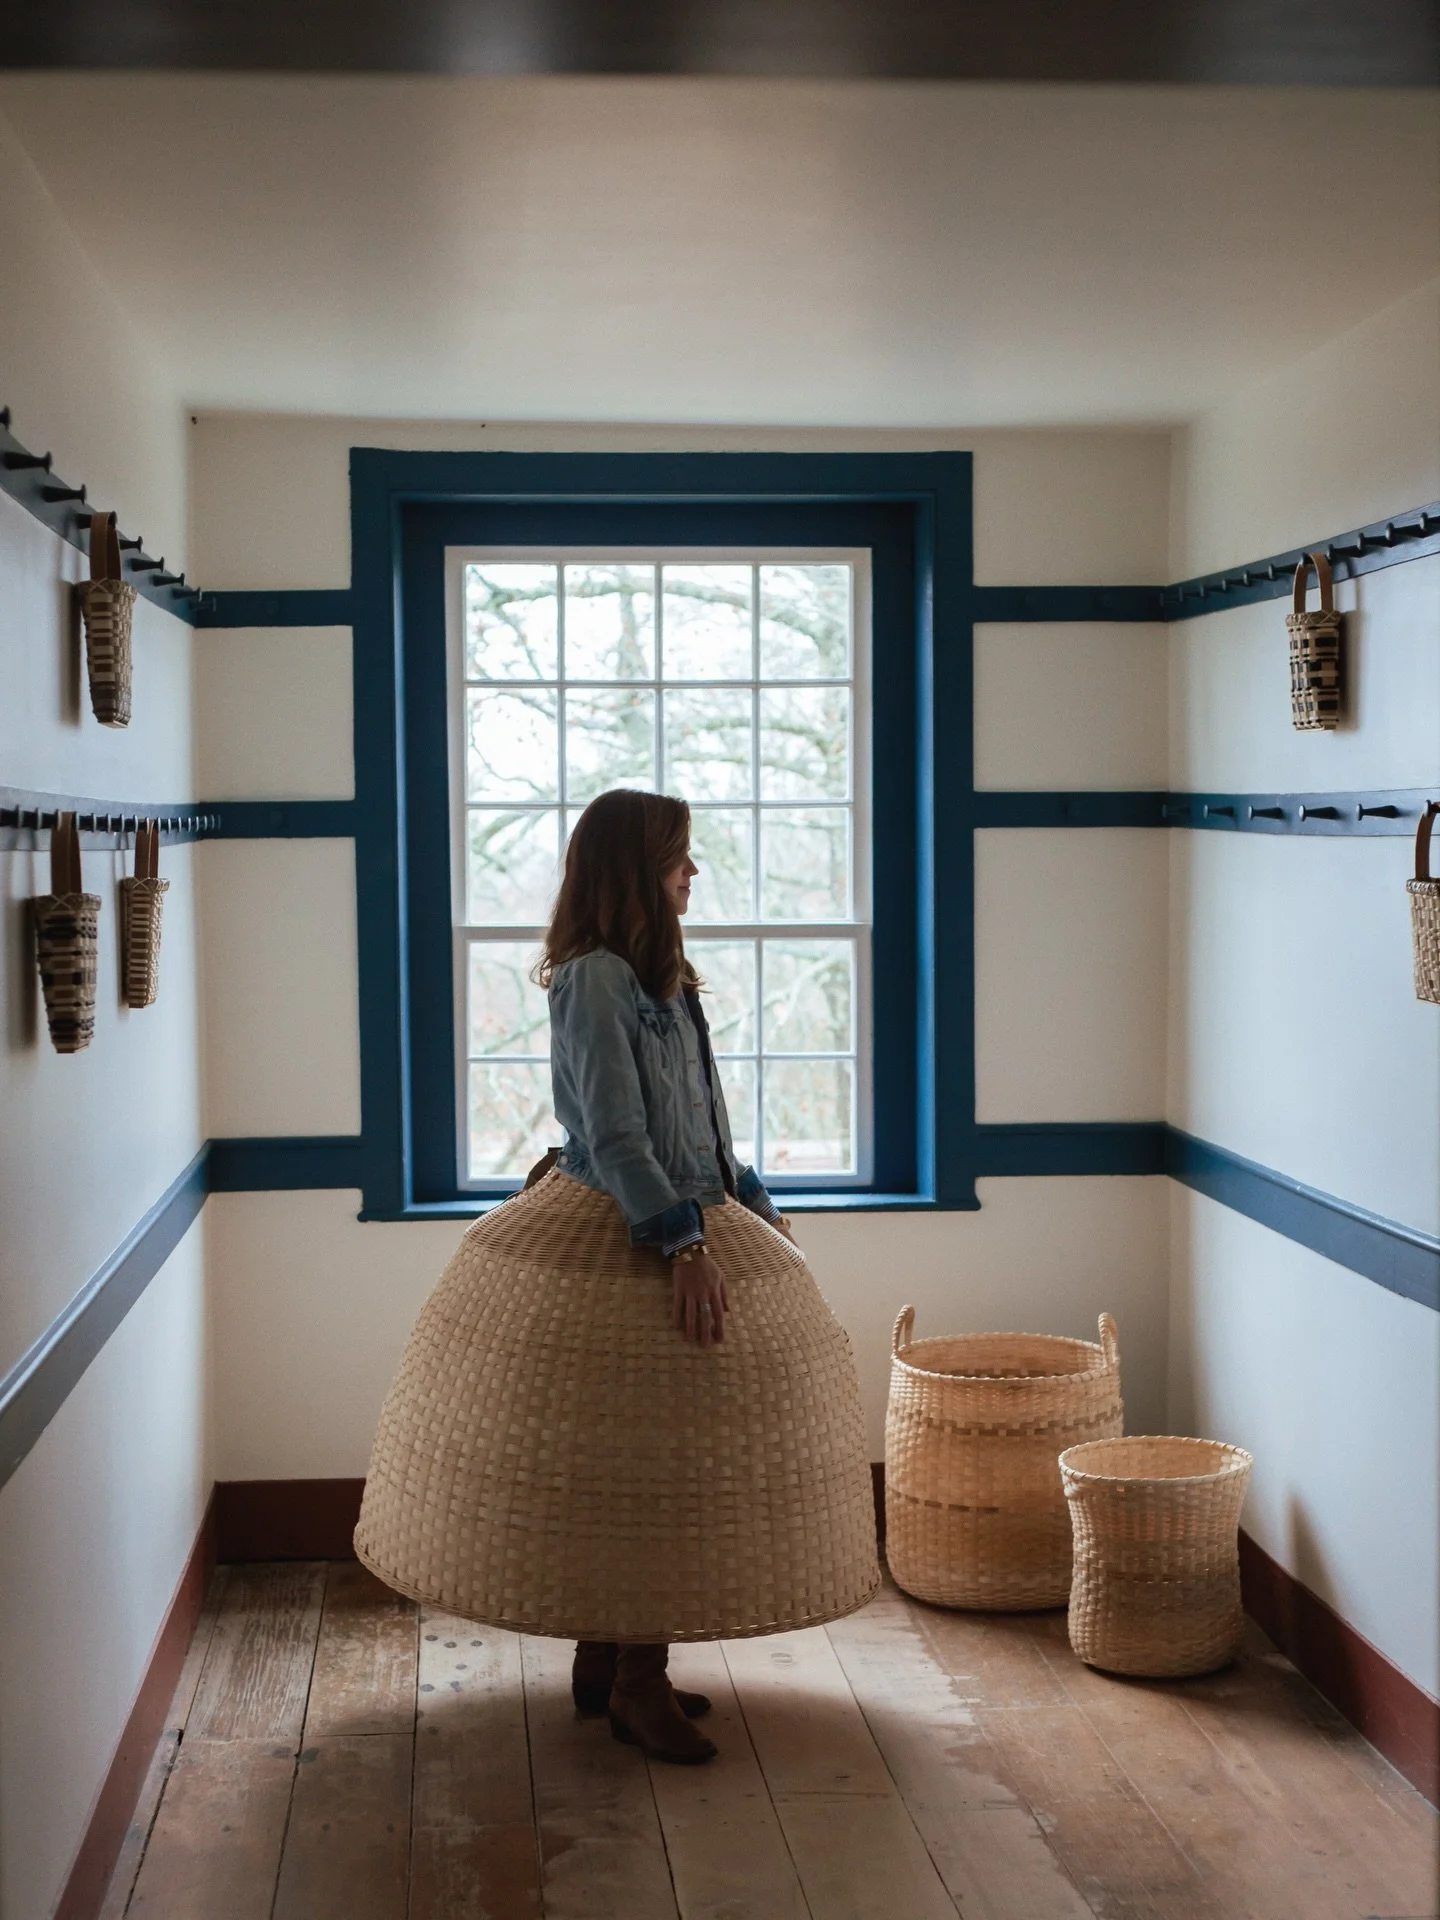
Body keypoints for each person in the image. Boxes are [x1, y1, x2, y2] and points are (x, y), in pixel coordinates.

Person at [356, 788, 878, 1766]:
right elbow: (614, 1131)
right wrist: (681, 1244)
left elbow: (705, 1119)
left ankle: (612, 1665)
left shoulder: (664, 976)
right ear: (636, 871)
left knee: (650, 1465)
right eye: (679, 857)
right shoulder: (594, 979)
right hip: (628, 1227)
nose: (694, 872)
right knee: (638, 1469)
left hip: (688, 1209)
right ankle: (632, 1681)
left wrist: (752, 1204)